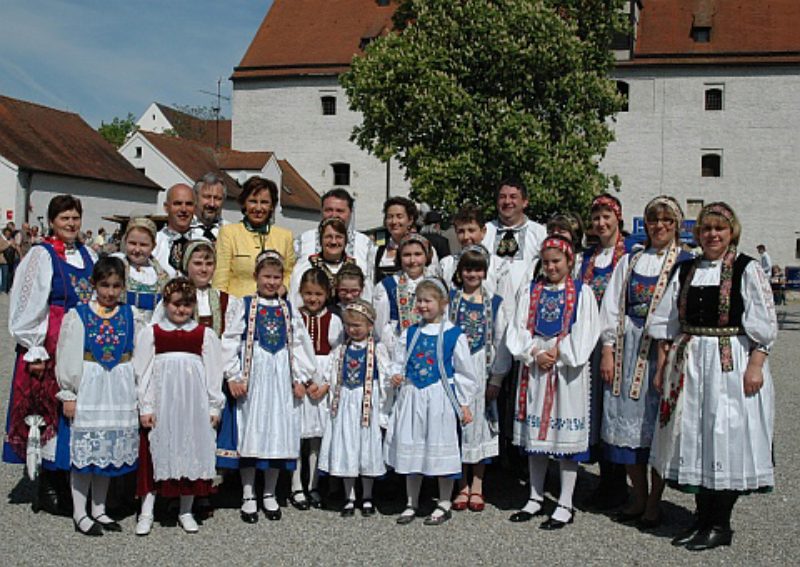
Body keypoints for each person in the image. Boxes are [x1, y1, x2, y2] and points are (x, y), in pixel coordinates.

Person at [648, 202, 776, 551]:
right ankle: (701, 519)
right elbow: (665, 322)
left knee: (724, 435)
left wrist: (756, 364)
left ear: (731, 231)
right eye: (706, 229)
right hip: (689, 361)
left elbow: (764, 322)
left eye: (719, 229)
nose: (712, 235)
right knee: (696, 438)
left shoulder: (746, 269)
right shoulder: (686, 269)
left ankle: (720, 524)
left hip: (728, 362)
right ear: (697, 232)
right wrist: (663, 367)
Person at [598, 196, 693, 530]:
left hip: (664, 352)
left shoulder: (686, 261)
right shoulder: (631, 260)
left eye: (667, 221)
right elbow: (611, 304)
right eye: (654, 220)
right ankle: (638, 496)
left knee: (658, 428)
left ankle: (655, 501)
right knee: (628, 427)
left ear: (677, 225)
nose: (660, 226)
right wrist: (608, 348)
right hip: (627, 350)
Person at [3, 195, 97, 516]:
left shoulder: (89, 255)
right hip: (52, 342)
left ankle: (72, 478)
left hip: (81, 345)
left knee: (75, 413)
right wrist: (35, 347)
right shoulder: (41, 256)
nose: (71, 224)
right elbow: (28, 303)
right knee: (48, 414)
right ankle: (48, 486)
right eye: (64, 218)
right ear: (53, 221)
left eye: (75, 218)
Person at [507, 236, 599, 530]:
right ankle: (534, 497)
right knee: (537, 440)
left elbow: (586, 330)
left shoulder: (582, 293)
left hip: (566, 373)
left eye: (556, 261)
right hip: (536, 368)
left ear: (569, 261)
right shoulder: (531, 290)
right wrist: (534, 352)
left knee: (563, 441)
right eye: (546, 262)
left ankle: (565, 502)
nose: (551, 267)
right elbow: (517, 327)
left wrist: (558, 353)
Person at [228, 251, 318, 524]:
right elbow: (231, 340)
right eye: (266, 276)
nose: (271, 282)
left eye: (276, 277)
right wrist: (233, 376)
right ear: (255, 277)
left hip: (281, 378)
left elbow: (301, 343)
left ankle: (269, 492)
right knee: (252, 432)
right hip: (254, 376)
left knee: (278, 432)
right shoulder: (243, 305)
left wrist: (302, 377)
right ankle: (248, 494)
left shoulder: (288, 308)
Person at [133, 278, 224, 535]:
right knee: (154, 456)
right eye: (176, 305)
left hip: (193, 407)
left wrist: (213, 407)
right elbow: (143, 372)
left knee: (190, 453)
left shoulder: (204, 334)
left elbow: (213, 373)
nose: (181, 310)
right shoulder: (152, 333)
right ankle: (147, 511)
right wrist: (146, 406)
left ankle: (186, 509)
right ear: (166, 304)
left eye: (187, 305)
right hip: (162, 405)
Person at [55, 257, 139, 536]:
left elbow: (138, 353)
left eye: (116, 286)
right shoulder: (79, 315)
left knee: (107, 452)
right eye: (104, 285)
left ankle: (99, 508)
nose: (110, 292)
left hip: (118, 388)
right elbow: (68, 355)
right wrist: (69, 392)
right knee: (85, 455)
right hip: (90, 385)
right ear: (94, 284)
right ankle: (80, 512)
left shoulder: (130, 314)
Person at [385, 278, 478, 526]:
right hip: (413, 395)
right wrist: (396, 374)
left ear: (443, 303)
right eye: (419, 300)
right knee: (412, 445)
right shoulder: (410, 332)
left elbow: (465, 373)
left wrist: (464, 403)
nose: (423, 305)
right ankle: (411, 501)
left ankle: (444, 501)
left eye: (428, 300)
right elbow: (399, 360)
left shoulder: (453, 334)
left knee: (440, 445)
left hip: (439, 397)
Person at [448, 246, 511, 513]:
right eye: (467, 268)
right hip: (456, 369)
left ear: (485, 272)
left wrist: (496, 378)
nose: (472, 273)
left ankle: (478, 484)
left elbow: (500, 340)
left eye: (477, 269)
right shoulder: (450, 299)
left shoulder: (495, 302)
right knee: (457, 425)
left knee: (481, 425)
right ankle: (460, 483)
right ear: (460, 272)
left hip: (482, 368)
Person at [579, 193, 632, 509]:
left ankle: (619, 483)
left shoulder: (631, 255)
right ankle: (605, 480)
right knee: (595, 411)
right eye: (596, 218)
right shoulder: (587, 258)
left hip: (618, 343)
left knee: (615, 410)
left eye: (606, 217)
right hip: (590, 344)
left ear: (618, 218)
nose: (600, 223)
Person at [318, 299, 391, 517]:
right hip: (344, 405)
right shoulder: (340, 349)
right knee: (347, 446)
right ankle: (349, 496)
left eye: (357, 325)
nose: (353, 329)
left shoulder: (377, 349)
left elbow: (386, 374)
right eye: (349, 325)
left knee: (366, 447)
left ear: (370, 326)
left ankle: (367, 496)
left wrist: (390, 384)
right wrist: (324, 387)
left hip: (365, 404)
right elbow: (330, 372)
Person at [290, 268, 343, 510]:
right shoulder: (294, 316)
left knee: (316, 438)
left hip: (323, 380)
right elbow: (292, 350)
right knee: (297, 436)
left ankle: (314, 485)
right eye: (308, 293)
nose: (313, 299)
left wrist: (326, 384)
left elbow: (337, 354)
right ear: (300, 292)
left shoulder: (333, 320)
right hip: (301, 380)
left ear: (327, 294)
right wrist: (302, 379)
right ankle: (295, 486)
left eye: (318, 294)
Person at [213, 176, 295, 296]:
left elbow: (290, 273)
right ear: (244, 203)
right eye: (253, 201)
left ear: (272, 206)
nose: (258, 208)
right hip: (238, 307)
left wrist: (282, 289)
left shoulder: (285, 236)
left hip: (274, 306)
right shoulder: (228, 233)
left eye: (264, 202)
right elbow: (220, 279)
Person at [482, 179, 547, 322]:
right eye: (502, 197)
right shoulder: (485, 232)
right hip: (488, 312)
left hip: (526, 311)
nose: (507, 201)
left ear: (525, 202)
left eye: (513, 197)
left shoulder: (540, 233)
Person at [295, 188, 376, 282]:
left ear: (350, 213)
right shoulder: (303, 241)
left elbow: (371, 282)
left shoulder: (365, 245)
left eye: (340, 211)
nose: (334, 215)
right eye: (328, 210)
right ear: (321, 211)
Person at [290, 217, 371, 306]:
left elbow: (366, 301)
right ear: (320, 241)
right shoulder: (306, 267)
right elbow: (295, 300)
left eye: (338, 237)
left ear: (346, 241)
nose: (333, 242)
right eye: (328, 237)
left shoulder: (356, 269)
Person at [373, 234, 431, 352]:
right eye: (407, 255)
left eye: (418, 254)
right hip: (397, 346)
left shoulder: (435, 284)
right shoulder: (387, 286)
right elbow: (380, 327)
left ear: (426, 257)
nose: (412, 260)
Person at [113, 217, 170, 334]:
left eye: (143, 245)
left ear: (153, 246)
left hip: (151, 333)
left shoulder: (162, 275)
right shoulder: (116, 267)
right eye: (132, 243)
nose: (137, 249)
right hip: (120, 330)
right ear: (125, 241)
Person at [374, 197, 439, 283]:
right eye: (390, 217)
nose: (394, 221)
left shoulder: (425, 249)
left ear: (410, 220)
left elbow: (433, 281)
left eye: (399, 216)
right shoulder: (377, 252)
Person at [439, 205, 499, 294]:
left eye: (471, 230)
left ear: (483, 232)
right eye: (461, 231)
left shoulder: (497, 266)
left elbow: (507, 305)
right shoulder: (447, 264)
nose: (466, 237)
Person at [153, 184, 196, 277]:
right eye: (177, 203)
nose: (184, 209)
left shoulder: (204, 243)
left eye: (189, 204)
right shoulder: (153, 243)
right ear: (166, 207)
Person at [189, 173, 228, 242]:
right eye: (207, 197)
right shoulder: (184, 228)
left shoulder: (230, 230)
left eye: (217, 198)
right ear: (195, 198)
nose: (212, 204)